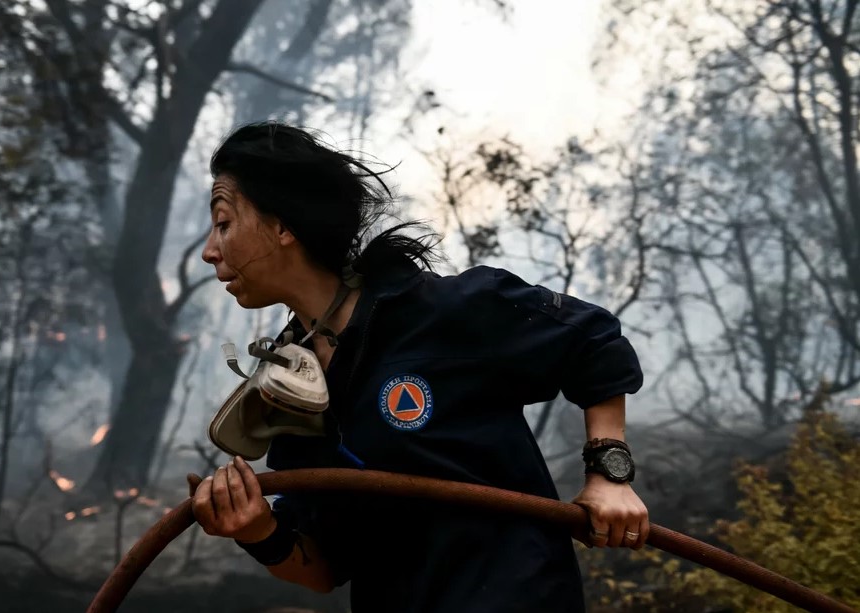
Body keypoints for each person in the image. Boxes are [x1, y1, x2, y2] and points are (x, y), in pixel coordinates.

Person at [191, 120, 649, 613]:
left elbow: (592, 340)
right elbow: (325, 569)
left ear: (283, 226)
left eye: (224, 222)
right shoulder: (291, 397)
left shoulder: (442, 312)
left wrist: (609, 473)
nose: (209, 251)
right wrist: (258, 531)